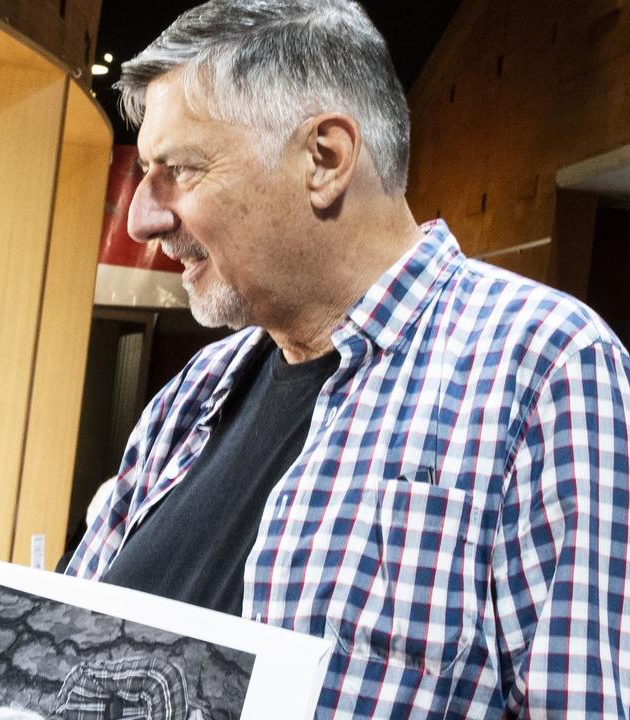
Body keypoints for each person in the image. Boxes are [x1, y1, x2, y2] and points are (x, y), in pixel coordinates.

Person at [64, 1, 630, 717]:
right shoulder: (192, 394)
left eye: (179, 169)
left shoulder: (545, 369)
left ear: (325, 158)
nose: (144, 217)